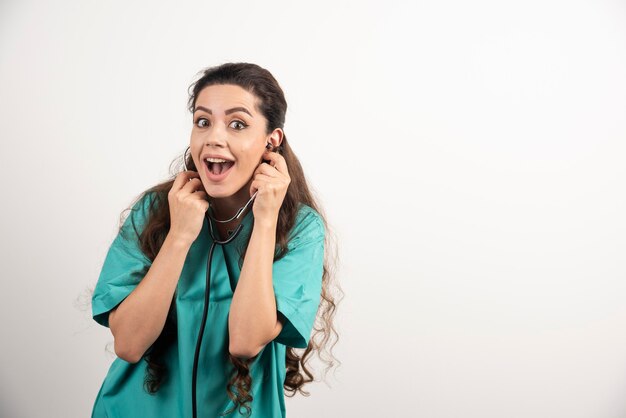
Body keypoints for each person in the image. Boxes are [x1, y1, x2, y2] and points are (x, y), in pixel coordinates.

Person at [90, 62, 341, 418]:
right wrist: (179, 236)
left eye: (237, 124)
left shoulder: (300, 228)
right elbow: (128, 344)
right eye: (203, 121)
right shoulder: (154, 210)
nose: (213, 137)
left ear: (272, 140)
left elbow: (246, 340)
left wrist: (266, 219)